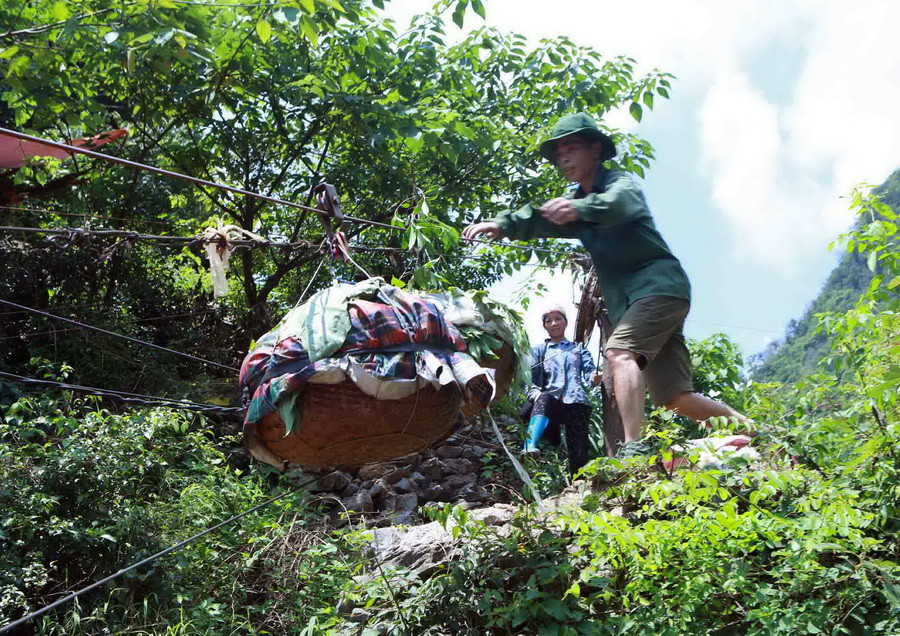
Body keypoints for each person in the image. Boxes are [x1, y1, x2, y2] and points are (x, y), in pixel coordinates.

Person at [463, 112, 751, 457]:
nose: (563, 158)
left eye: (570, 148)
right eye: (558, 154)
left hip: (659, 287)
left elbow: (618, 205)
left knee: (618, 353)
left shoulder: (619, 186)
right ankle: (758, 433)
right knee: (675, 399)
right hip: (639, 302)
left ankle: (635, 449)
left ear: (595, 149)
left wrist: (577, 207)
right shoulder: (577, 208)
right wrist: (502, 224)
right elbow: (541, 218)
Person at [524, 304, 600, 476]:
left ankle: (578, 485)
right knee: (543, 397)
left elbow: (589, 374)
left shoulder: (578, 349)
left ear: (565, 322)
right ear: (544, 326)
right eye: (548, 321)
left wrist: (595, 378)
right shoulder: (539, 351)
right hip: (551, 403)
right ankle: (530, 446)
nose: (553, 323)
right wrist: (535, 395)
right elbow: (530, 379)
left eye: (558, 319)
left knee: (578, 449)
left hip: (576, 401)